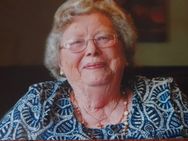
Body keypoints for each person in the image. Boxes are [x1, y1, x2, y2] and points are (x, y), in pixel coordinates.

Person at [0, 0, 188, 140]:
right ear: (60, 62)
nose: (91, 50)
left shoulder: (164, 96)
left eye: (103, 38)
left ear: (124, 50)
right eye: (76, 42)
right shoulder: (38, 103)